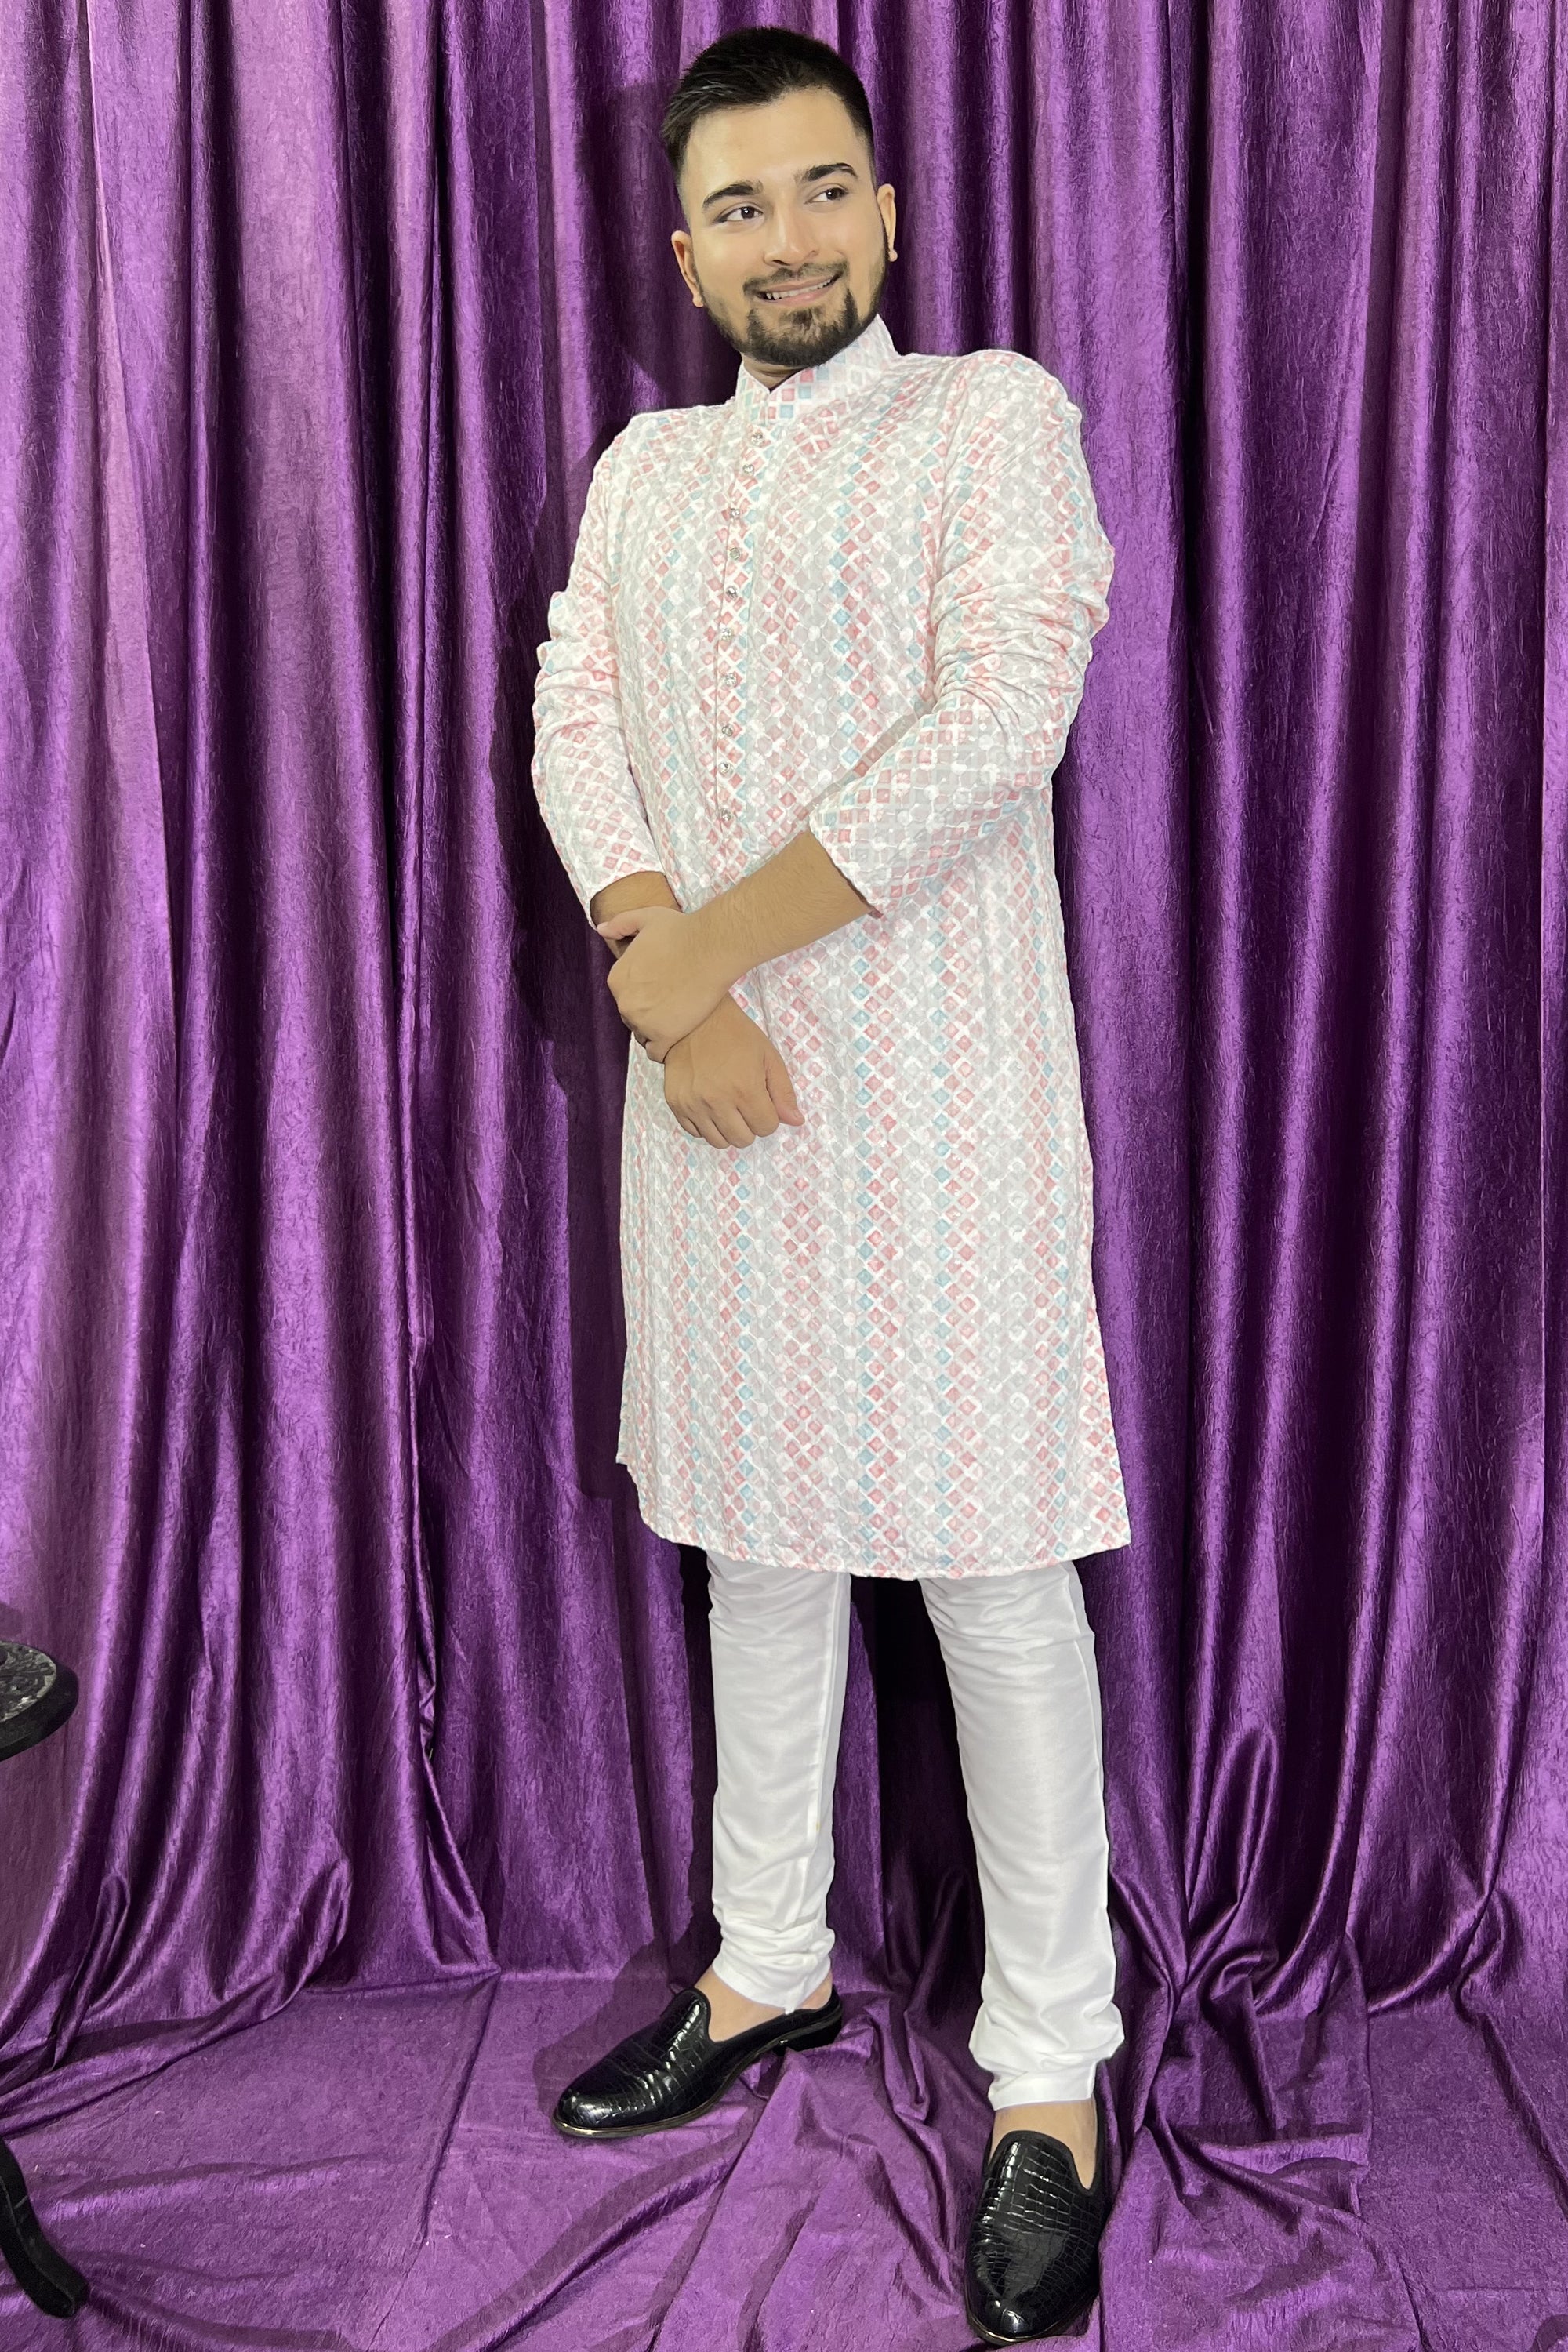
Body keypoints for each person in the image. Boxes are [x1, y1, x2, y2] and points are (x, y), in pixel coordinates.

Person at [530, 25, 1131, 2343]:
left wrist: (701, 956)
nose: (786, 238)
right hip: (709, 1098)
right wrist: (661, 982)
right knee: (757, 1549)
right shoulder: (648, 468)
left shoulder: (993, 417)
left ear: (886, 212)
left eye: (821, 191)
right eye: (739, 207)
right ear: (685, 256)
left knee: (993, 1572)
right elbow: (579, 717)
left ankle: (1053, 2071)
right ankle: (766, 1962)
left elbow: (999, 728)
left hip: (949, 1090)